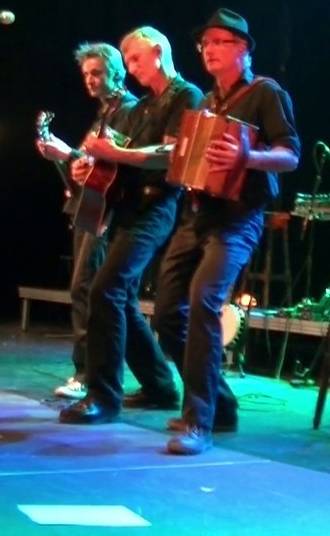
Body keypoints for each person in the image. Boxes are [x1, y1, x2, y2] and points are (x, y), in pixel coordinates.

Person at [153, 8, 300, 455]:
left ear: (243, 49)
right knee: (165, 313)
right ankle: (220, 402)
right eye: (205, 44)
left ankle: (199, 421)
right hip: (197, 215)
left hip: (239, 217)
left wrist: (247, 159)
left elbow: (290, 155)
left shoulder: (265, 93)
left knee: (203, 300)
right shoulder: (206, 103)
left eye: (219, 42)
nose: (209, 50)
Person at [58, 26, 204, 425]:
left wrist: (117, 152)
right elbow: (117, 156)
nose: (131, 68)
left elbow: (174, 153)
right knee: (115, 295)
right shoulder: (142, 108)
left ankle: (104, 396)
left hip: (156, 207)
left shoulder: (186, 96)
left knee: (105, 289)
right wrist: (90, 163)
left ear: (158, 52)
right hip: (127, 207)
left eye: (135, 59)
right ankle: (159, 385)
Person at [36, 42, 137, 399]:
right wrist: (68, 158)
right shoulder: (104, 114)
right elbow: (92, 168)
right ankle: (154, 378)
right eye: (85, 74)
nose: (90, 80)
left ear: (116, 73)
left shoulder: (128, 111)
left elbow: (115, 164)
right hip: (90, 208)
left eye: (96, 73)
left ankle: (88, 372)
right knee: (99, 293)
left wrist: (71, 153)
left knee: (87, 287)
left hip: (107, 213)